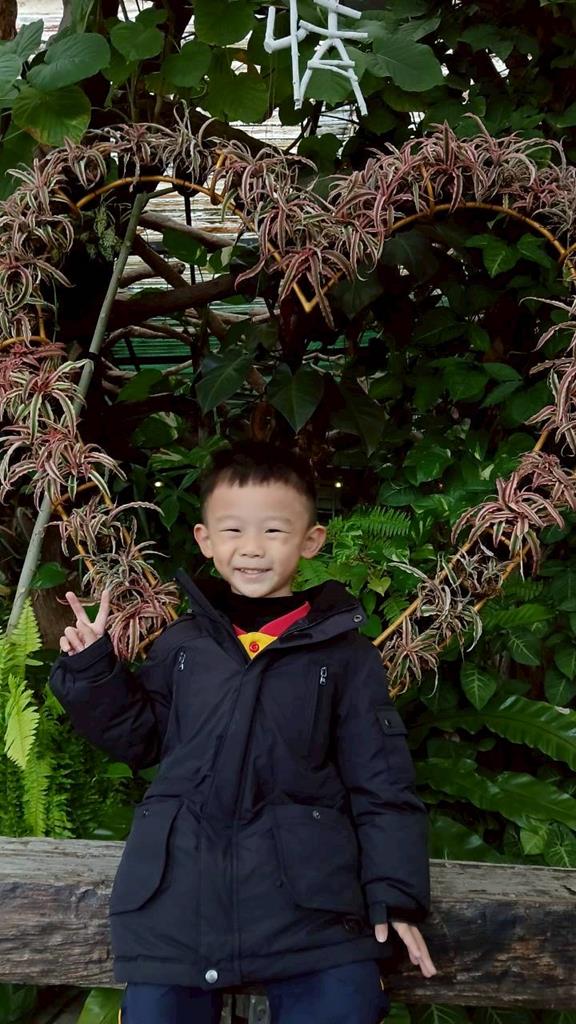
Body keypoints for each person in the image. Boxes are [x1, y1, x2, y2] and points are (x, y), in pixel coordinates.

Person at [50, 441, 436, 1024]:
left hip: (312, 906)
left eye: (274, 531)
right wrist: (92, 670)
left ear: (311, 541)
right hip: (177, 900)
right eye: (232, 530)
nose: (252, 548)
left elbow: (381, 782)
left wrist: (395, 893)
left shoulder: (345, 655)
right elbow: (141, 739)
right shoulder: (183, 644)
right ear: (205, 539)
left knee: (346, 1003)